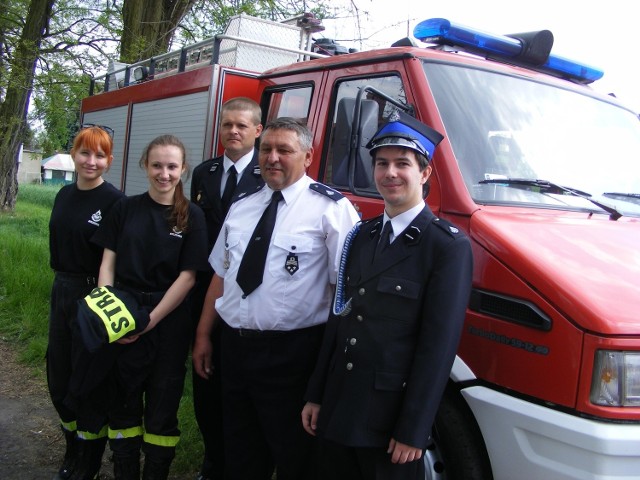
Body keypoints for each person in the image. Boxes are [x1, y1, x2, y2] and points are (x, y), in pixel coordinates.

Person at [301, 112, 474, 480]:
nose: (390, 173)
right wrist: (316, 394)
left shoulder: (446, 246)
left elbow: (438, 348)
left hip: (389, 419)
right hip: (340, 405)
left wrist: (413, 429)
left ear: (424, 174)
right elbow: (340, 317)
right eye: (382, 164)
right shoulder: (361, 235)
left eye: (402, 164)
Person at [192, 117, 359, 480]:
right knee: (239, 451)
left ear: (308, 156)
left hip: (293, 356)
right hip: (234, 350)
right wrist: (204, 335)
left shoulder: (331, 210)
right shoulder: (243, 207)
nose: (273, 158)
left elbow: (344, 296)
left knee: (294, 455)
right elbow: (221, 277)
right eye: (266, 149)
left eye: (285, 150)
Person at [92, 134, 209, 479]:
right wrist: (109, 316)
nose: (164, 173)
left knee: (162, 407)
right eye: (157, 165)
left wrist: (150, 321)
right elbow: (107, 265)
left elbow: (188, 278)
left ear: (183, 169)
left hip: (169, 322)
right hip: (122, 313)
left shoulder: (194, 217)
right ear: (145, 165)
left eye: (172, 166)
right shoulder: (124, 208)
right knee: (123, 403)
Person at [189, 97, 264, 480]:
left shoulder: (269, 174)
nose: (232, 131)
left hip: (246, 296)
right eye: (227, 125)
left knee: (240, 389)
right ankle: (212, 459)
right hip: (205, 289)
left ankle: (241, 461)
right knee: (205, 384)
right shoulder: (204, 172)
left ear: (257, 131)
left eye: (241, 125)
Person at [47, 124, 124, 480]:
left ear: (109, 160)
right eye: (84, 153)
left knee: (89, 381)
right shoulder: (63, 195)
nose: (91, 161)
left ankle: (89, 460)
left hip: (94, 296)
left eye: (99, 155)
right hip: (62, 290)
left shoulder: (115, 202)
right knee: (58, 377)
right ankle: (71, 447)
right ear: (74, 155)